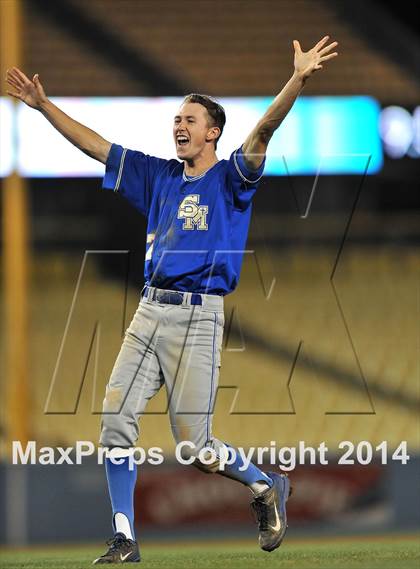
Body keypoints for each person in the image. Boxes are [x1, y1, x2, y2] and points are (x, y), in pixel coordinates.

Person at [6, 35, 338, 564]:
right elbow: (97, 147)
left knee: (196, 449)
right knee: (114, 421)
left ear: (213, 133)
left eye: (190, 120)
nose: (179, 127)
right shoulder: (158, 175)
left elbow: (264, 130)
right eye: (176, 120)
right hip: (148, 311)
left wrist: (296, 79)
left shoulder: (233, 178)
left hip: (197, 318)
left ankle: (264, 484)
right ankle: (125, 538)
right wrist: (45, 107)